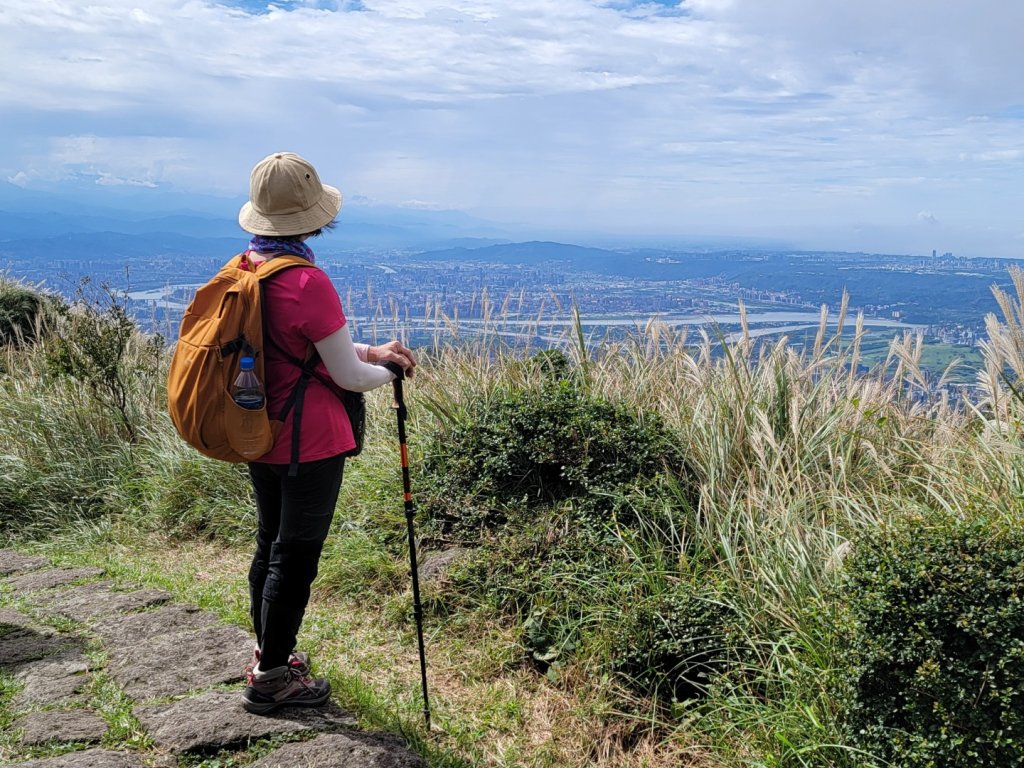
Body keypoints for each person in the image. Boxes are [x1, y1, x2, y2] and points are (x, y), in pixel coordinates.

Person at [236, 151, 415, 715]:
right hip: (308, 443)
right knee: (297, 556)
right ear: (314, 216)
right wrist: (389, 368)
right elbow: (348, 376)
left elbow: (301, 350)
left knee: (270, 542)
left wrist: (370, 350)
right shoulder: (307, 280)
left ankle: (270, 653)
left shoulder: (249, 268)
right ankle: (270, 680)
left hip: (258, 428)